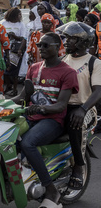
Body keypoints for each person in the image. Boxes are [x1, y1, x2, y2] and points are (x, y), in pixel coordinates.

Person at [13, 33, 78, 207]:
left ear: (57, 48)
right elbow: (22, 96)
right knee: (8, 138)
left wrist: (41, 108)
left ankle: (50, 188)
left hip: (53, 121)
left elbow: (61, 106)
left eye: (45, 45)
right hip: (31, 116)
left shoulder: (68, 72)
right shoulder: (34, 68)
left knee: (28, 143)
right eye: (39, 45)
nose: (41, 48)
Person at [57, 22, 101, 190]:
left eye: (71, 39)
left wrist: (83, 110)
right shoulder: (63, 60)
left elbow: (98, 91)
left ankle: (79, 166)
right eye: (66, 38)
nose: (66, 42)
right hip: (62, 106)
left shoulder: (94, 63)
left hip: (85, 107)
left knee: (76, 123)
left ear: (83, 42)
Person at [3, 7, 27, 96]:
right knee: (5, 69)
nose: (20, 16)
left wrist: (15, 36)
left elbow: (23, 38)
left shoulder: (21, 25)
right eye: (19, 14)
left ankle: (15, 89)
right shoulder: (4, 23)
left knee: (14, 71)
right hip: (5, 50)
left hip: (15, 50)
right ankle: (8, 85)